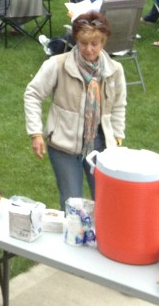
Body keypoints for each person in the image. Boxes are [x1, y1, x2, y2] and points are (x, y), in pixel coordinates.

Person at [24, 11, 127, 209]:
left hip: (100, 145)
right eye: (83, 43)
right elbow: (33, 94)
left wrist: (117, 136)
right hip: (64, 144)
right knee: (73, 204)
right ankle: (71, 238)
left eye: (94, 44)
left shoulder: (114, 70)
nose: (88, 49)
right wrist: (35, 133)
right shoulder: (57, 64)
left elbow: (119, 105)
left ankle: (100, 239)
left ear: (103, 42)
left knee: (105, 201)